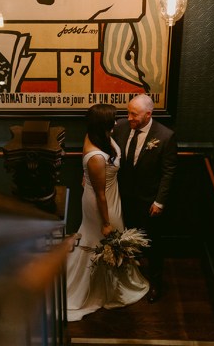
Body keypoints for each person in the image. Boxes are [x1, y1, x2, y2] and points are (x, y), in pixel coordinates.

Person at [66, 104, 149, 322]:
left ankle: (111, 283)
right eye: (113, 119)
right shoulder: (96, 156)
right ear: (104, 124)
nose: (116, 122)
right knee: (103, 240)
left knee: (108, 240)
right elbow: (100, 194)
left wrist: (87, 177)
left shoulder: (97, 134)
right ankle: (97, 290)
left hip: (110, 195)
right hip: (101, 204)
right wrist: (105, 221)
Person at [113, 94, 178, 303]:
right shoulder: (121, 127)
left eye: (134, 114)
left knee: (153, 243)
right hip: (124, 196)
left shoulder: (165, 136)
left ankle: (156, 283)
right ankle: (130, 277)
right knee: (126, 238)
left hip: (149, 200)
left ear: (148, 114)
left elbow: (169, 173)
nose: (129, 117)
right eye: (128, 112)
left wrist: (159, 202)